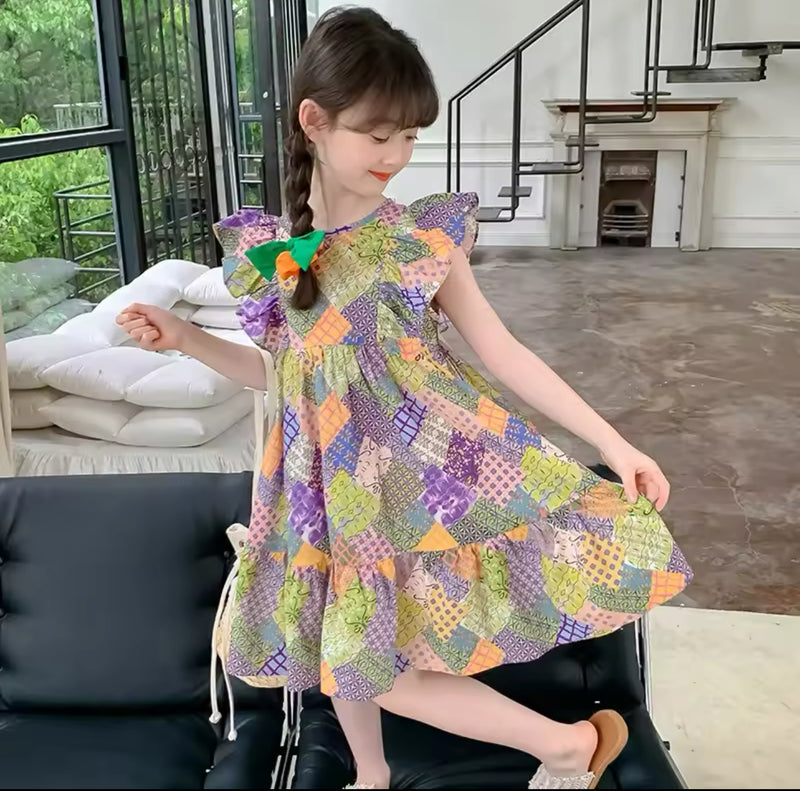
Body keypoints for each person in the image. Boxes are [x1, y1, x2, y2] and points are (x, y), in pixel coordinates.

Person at [118, 7, 692, 789]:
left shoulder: (420, 241)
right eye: (378, 134)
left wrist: (612, 443)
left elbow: (503, 351)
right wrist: (185, 339)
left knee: (367, 661)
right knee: (341, 649)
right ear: (314, 122)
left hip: (413, 484)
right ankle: (372, 774)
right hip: (323, 491)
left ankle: (567, 746)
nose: (396, 155)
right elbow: (288, 377)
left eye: (410, 136)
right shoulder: (272, 252)